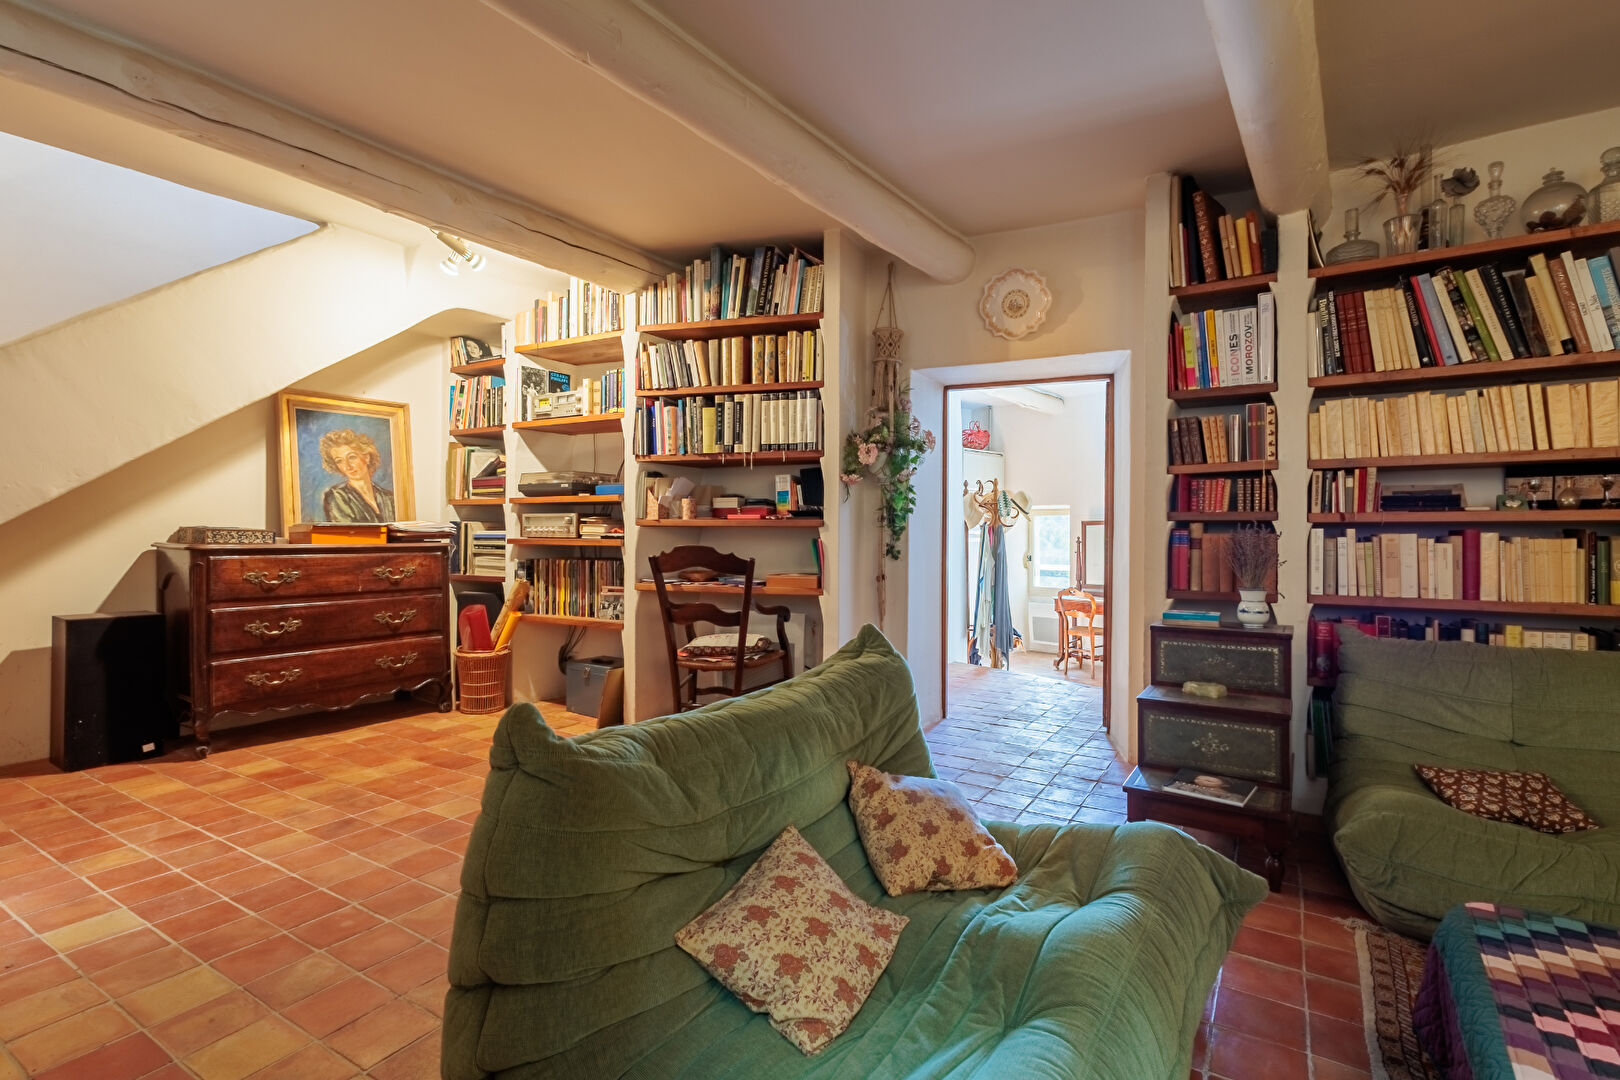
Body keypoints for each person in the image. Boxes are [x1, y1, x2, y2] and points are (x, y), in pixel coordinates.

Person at [318, 428, 395, 523]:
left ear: (366, 457)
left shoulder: (389, 498)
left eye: (352, 457)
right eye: (339, 461)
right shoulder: (337, 496)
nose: (347, 466)